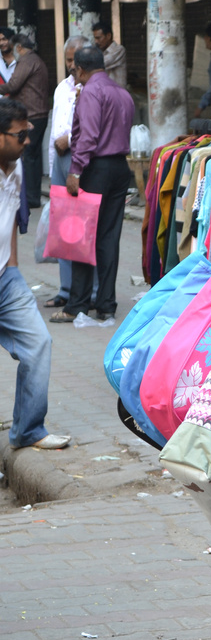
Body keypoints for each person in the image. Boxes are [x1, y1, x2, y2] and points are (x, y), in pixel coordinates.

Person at [0, 98, 70, 451]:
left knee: (38, 343)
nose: (28, 141)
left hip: (5, 278)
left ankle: (28, 430)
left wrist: (12, 265)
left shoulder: (17, 167)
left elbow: (11, 216)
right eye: (20, 135)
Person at [48, 46, 134, 325]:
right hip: (120, 167)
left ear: (81, 69)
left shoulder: (90, 93)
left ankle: (77, 304)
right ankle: (106, 304)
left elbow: (88, 136)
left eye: (75, 70)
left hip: (96, 168)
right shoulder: (122, 93)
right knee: (108, 238)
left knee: (80, 236)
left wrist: (75, 170)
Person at [43, 36, 90, 310]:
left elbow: (92, 130)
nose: (71, 65)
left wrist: (69, 143)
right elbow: (55, 129)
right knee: (62, 227)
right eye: (68, 59)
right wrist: (52, 168)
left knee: (83, 226)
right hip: (59, 161)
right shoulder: (62, 87)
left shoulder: (90, 89)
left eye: (75, 60)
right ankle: (65, 288)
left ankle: (88, 291)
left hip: (78, 159)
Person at [0, 35, 49, 208]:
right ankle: (33, 196)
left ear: (19, 47)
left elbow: (13, 85)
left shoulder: (26, 61)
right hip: (39, 113)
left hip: (32, 115)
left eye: (14, 49)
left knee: (28, 157)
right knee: (33, 158)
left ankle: (30, 197)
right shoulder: (37, 60)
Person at [91, 21, 127, 89]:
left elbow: (98, 64)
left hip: (117, 95)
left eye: (98, 38)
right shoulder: (99, 51)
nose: (96, 41)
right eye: (95, 38)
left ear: (108, 36)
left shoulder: (119, 50)